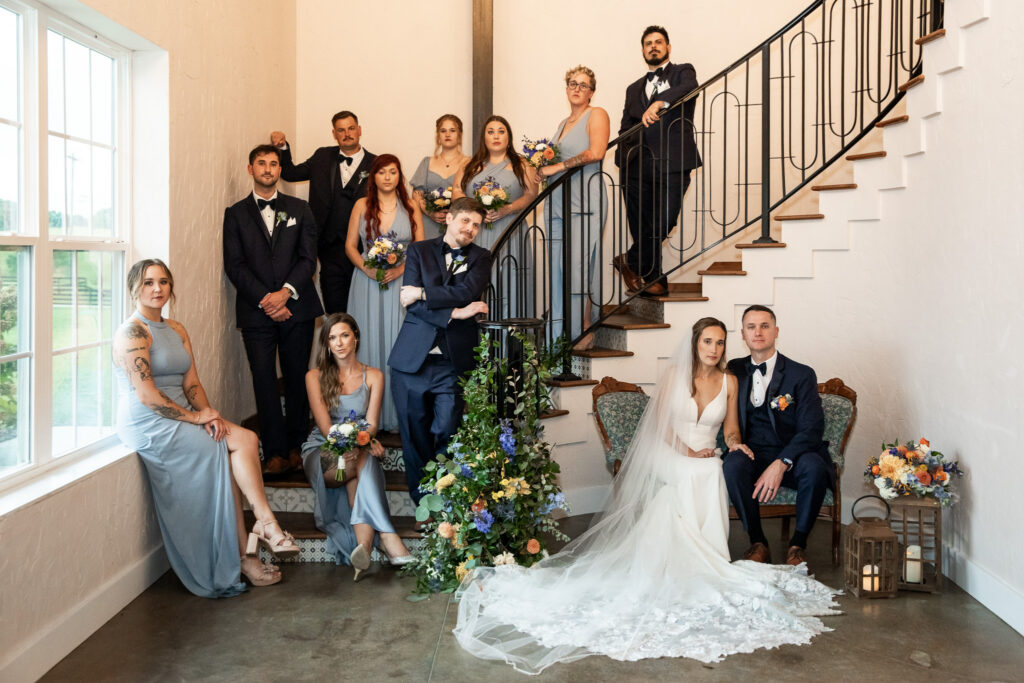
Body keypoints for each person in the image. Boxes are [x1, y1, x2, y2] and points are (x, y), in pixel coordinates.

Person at [454, 317, 839, 674]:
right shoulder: (675, 375)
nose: (715, 349)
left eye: (720, 343)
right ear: (695, 343)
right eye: (708, 341)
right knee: (697, 469)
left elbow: (733, 428)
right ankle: (692, 557)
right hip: (669, 451)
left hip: (707, 452)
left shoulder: (731, 380)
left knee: (713, 468)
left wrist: (735, 446)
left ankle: (708, 556)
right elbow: (658, 425)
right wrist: (689, 452)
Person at [113, 259, 300, 598]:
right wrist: (196, 419)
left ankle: (264, 523)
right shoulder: (132, 332)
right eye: (148, 283)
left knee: (246, 438)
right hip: (148, 422)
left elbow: (192, 383)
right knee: (221, 452)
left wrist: (209, 413)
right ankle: (246, 555)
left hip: (180, 413)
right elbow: (146, 395)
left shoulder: (177, 328)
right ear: (134, 290)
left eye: (164, 282)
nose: (157, 289)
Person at [223, 144, 322, 476]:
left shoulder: (301, 208)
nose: (268, 168)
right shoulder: (235, 214)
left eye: (274, 163)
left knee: (296, 379)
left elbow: (309, 259)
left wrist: (285, 294)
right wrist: (267, 300)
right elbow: (234, 265)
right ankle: (275, 453)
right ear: (250, 169)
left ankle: (297, 447)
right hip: (256, 312)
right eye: (261, 163)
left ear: (281, 170)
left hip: (298, 308)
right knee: (264, 380)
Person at [388, 197, 491, 502]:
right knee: (414, 437)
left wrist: (421, 292)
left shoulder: (482, 257)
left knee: (447, 430)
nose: (470, 228)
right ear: (448, 218)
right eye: (465, 221)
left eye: (476, 224)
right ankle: (423, 504)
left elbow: (467, 291)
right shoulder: (419, 251)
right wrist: (455, 313)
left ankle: (445, 498)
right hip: (411, 363)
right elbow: (414, 309)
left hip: (452, 361)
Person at [300, 313, 414, 580]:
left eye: (344, 335)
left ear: (356, 337)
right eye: (331, 338)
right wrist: (364, 441)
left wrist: (367, 438)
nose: (338, 343)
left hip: (353, 455)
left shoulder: (373, 375)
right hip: (323, 454)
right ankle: (387, 537)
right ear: (326, 344)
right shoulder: (313, 377)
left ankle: (362, 548)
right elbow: (328, 430)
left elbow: (372, 423)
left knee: (362, 460)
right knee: (363, 458)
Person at [723, 305, 833, 567]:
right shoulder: (734, 369)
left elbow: (812, 428)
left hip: (792, 453)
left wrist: (782, 462)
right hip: (753, 453)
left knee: (815, 468)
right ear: (743, 334)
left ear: (776, 331)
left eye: (764, 326)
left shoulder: (801, 373)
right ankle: (758, 542)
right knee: (732, 465)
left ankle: (798, 545)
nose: (758, 332)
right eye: (751, 327)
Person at [613, 25, 702, 297]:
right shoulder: (632, 89)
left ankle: (631, 260)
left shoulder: (683, 72)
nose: (653, 46)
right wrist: (622, 161)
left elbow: (690, 88)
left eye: (659, 42)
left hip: (673, 162)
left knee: (664, 220)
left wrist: (660, 102)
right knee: (643, 225)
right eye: (648, 43)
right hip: (637, 166)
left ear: (668, 47)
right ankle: (654, 279)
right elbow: (625, 128)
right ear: (642, 50)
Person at [345, 154, 425, 432]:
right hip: (367, 283)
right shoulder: (361, 205)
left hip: (400, 283)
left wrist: (401, 268)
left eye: (393, 172)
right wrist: (367, 268)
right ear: (373, 177)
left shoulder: (411, 206)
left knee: (397, 342)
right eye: (382, 172)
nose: (388, 177)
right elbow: (350, 247)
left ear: (399, 176)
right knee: (367, 341)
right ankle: (366, 416)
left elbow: (419, 247)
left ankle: (399, 414)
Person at [271, 111, 377, 314]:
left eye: (351, 128)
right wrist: (282, 147)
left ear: (359, 130)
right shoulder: (322, 156)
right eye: (341, 130)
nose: (347, 133)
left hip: (365, 251)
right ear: (334, 134)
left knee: (363, 310)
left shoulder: (377, 164)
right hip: (329, 251)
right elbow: (290, 174)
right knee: (335, 310)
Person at [539, 65, 610, 347]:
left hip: (585, 200)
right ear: (566, 88)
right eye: (572, 83)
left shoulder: (597, 114)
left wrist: (555, 167)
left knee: (579, 265)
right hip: (558, 203)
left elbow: (596, 152)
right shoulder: (562, 124)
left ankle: (583, 328)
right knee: (558, 267)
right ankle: (559, 332)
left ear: (591, 92)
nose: (577, 88)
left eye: (583, 84)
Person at [452, 115, 538, 252]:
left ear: (508, 137)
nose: (496, 136)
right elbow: (457, 191)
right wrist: (473, 209)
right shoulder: (469, 165)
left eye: (501, 132)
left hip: (510, 229)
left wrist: (508, 208)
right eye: (491, 132)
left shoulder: (522, 165)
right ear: (484, 138)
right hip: (474, 230)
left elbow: (532, 194)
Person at [410, 114, 469, 235]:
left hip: (459, 226)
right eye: (443, 131)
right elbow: (416, 195)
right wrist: (430, 213)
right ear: (438, 136)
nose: (447, 134)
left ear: (459, 135)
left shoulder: (470, 163)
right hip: (428, 226)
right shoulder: (427, 162)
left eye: (452, 130)